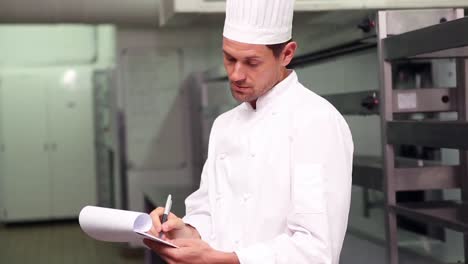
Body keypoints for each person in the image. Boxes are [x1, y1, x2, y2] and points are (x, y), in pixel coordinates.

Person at [144, 0, 354, 263]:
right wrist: (183, 231)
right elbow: (209, 213)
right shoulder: (224, 124)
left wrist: (228, 260)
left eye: (251, 62)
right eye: (229, 58)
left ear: (286, 54)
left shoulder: (317, 121)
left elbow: (317, 250)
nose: (235, 74)